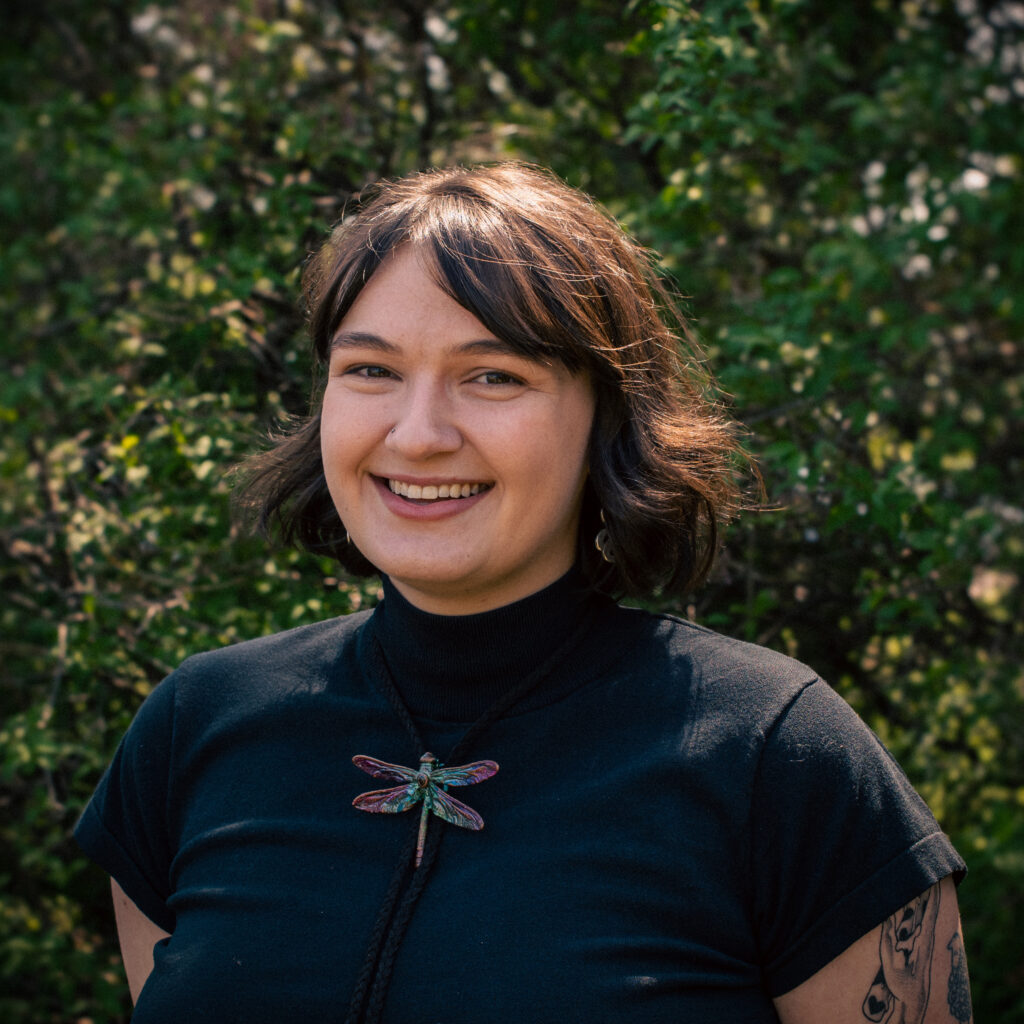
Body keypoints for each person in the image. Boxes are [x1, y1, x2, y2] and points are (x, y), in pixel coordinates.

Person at [75, 163, 972, 1023]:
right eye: (370, 370)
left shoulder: (779, 754)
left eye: (494, 376)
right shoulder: (198, 724)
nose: (418, 435)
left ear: (609, 418)